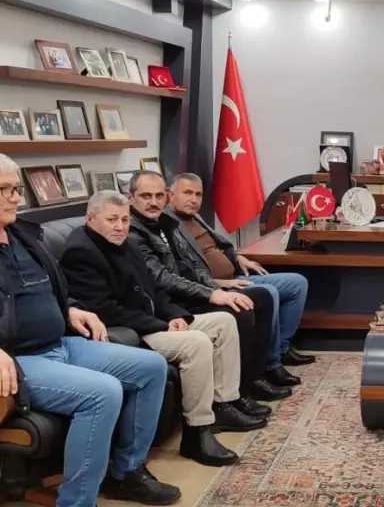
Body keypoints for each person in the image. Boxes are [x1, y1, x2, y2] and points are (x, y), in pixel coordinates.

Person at [0, 154, 180, 507]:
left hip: (61, 342)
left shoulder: (23, 235)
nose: (15, 198)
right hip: (20, 360)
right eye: (3, 190)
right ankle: (77, 502)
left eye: (16, 188)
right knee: (103, 392)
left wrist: (70, 309)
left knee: (152, 366)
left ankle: (126, 474)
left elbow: (48, 289)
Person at [60, 190, 267, 468]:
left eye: (124, 219)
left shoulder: (125, 243)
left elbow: (154, 290)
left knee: (223, 321)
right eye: (112, 220)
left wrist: (175, 315)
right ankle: (197, 433)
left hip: (154, 320)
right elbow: (106, 311)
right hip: (129, 331)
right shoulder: (81, 252)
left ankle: (224, 404)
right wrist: (163, 324)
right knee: (196, 343)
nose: (120, 226)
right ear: (90, 219)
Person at [126, 171, 290, 402]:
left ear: (166, 196)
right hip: (174, 303)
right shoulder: (132, 231)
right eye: (146, 196)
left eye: (158, 195)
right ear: (130, 198)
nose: (153, 202)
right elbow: (163, 278)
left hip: (194, 292)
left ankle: (254, 378)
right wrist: (212, 294)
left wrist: (215, 288)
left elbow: (193, 264)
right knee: (241, 312)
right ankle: (240, 391)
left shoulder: (166, 222)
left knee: (261, 296)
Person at [166, 173, 314, 387]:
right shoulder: (168, 226)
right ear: (171, 195)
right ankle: (271, 364)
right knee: (269, 293)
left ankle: (281, 348)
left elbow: (216, 245)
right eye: (187, 193)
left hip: (236, 275)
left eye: (198, 194)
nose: (194, 199)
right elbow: (184, 271)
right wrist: (220, 283)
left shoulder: (194, 217)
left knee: (296, 284)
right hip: (217, 287)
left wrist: (237, 257)